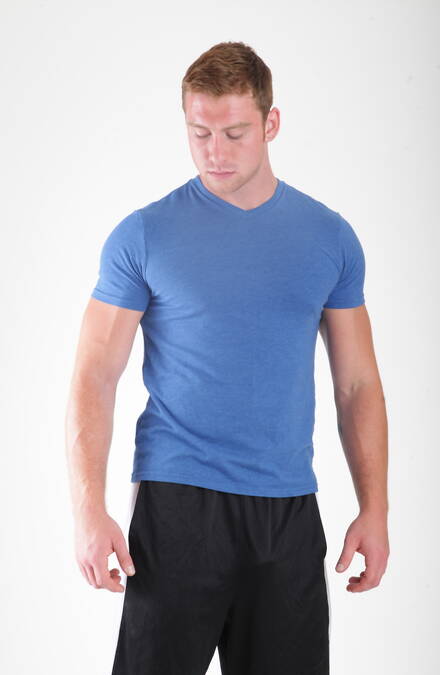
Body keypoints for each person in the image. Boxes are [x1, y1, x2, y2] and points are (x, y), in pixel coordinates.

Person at [65, 40, 389, 675]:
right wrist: (87, 511)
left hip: (288, 510)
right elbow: (93, 375)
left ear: (271, 123)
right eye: (199, 133)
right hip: (178, 504)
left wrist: (374, 508)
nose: (215, 152)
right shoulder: (144, 235)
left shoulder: (329, 238)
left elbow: (357, 384)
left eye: (235, 133)